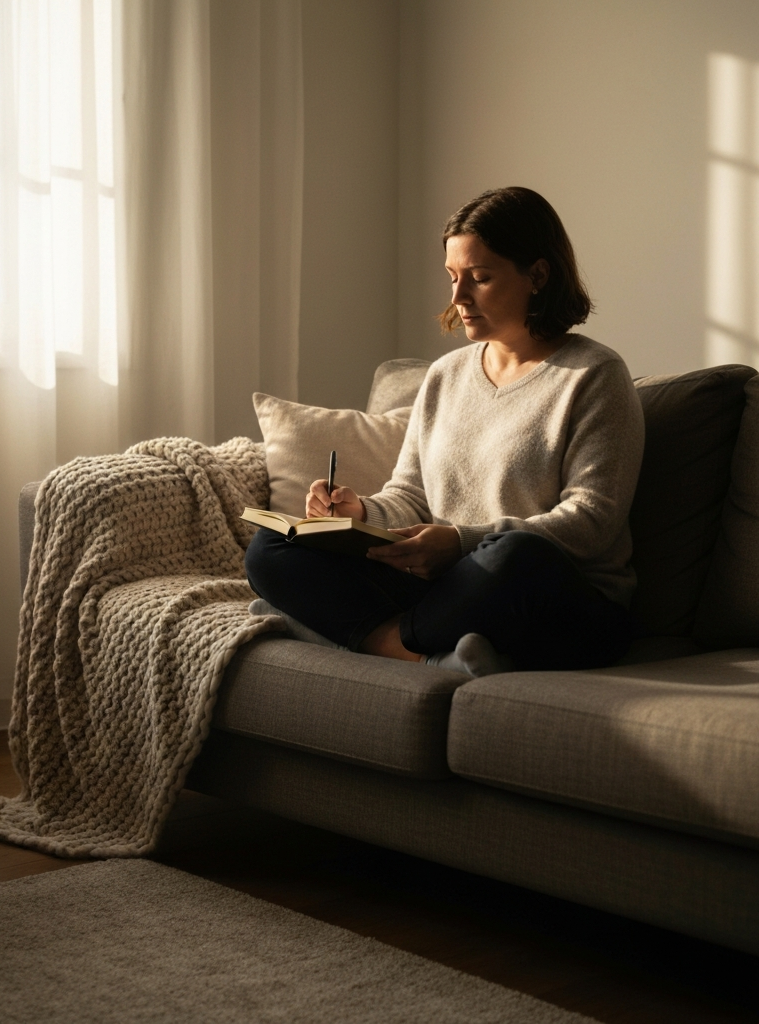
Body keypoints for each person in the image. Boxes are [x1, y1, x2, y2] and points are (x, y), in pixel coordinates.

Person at [245, 186, 645, 676]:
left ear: (538, 275)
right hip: (446, 589)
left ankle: (338, 630)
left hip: (558, 600)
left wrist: (460, 542)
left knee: (515, 557)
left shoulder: (595, 375)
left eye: (479, 278)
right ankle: (420, 651)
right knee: (273, 545)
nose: (458, 298)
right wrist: (360, 512)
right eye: (453, 278)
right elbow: (410, 494)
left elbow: (591, 521)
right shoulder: (446, 375)